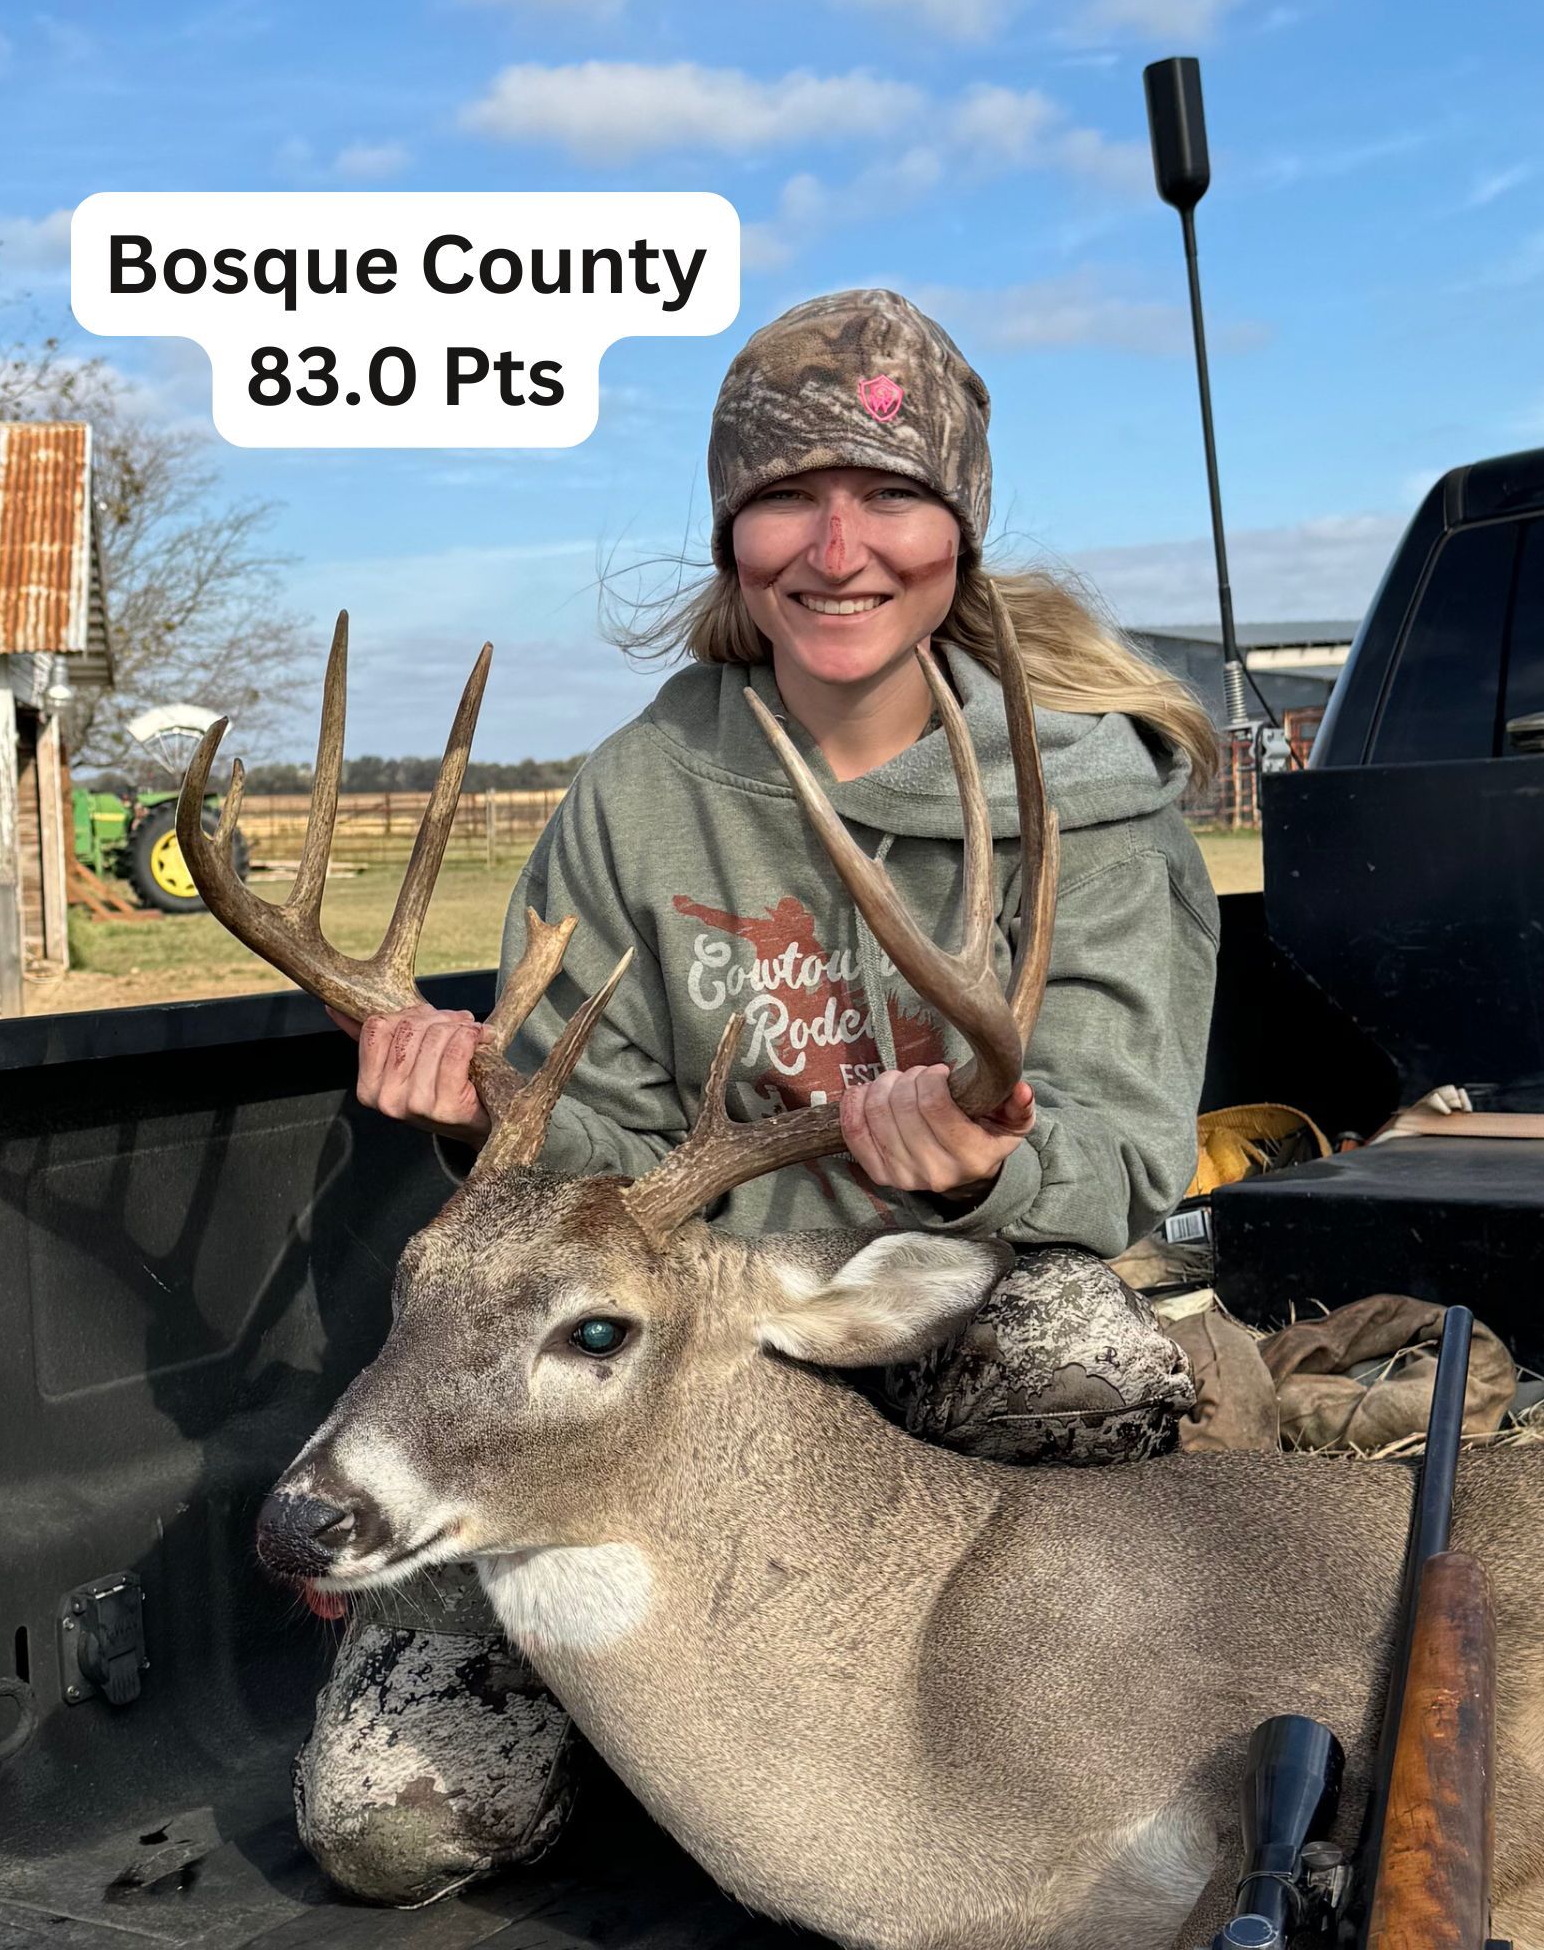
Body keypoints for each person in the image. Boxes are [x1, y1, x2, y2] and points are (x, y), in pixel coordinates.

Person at [293, 288, 1222, 1905]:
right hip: (673, 1352)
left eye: (892, 497)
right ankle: (691, 1705)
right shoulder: (636, 798)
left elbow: (1129, 1158)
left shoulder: (1096, 809)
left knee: (1083, 1356)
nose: (837, 547)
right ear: (732, 534)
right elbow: (589, 1172)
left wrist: (972, 1175)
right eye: (785, 496)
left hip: (931, 1330)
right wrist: (472, 1111)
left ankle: (1021, 1727)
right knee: (388, 1826)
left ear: (960, 529)